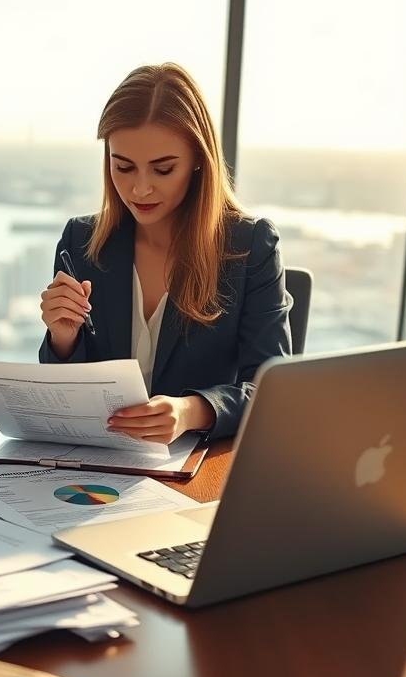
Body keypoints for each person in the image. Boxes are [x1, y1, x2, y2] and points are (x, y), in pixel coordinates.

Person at [39, 62, 292, 443]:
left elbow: (272, 389)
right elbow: (63, 392)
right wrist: (63, 339)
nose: (140, 189)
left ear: (197, 163)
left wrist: (192, 410)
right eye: (123, 167)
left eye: (162, 169)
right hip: (100, 465)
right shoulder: (82, 241)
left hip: (196, 469)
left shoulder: (249, 246)